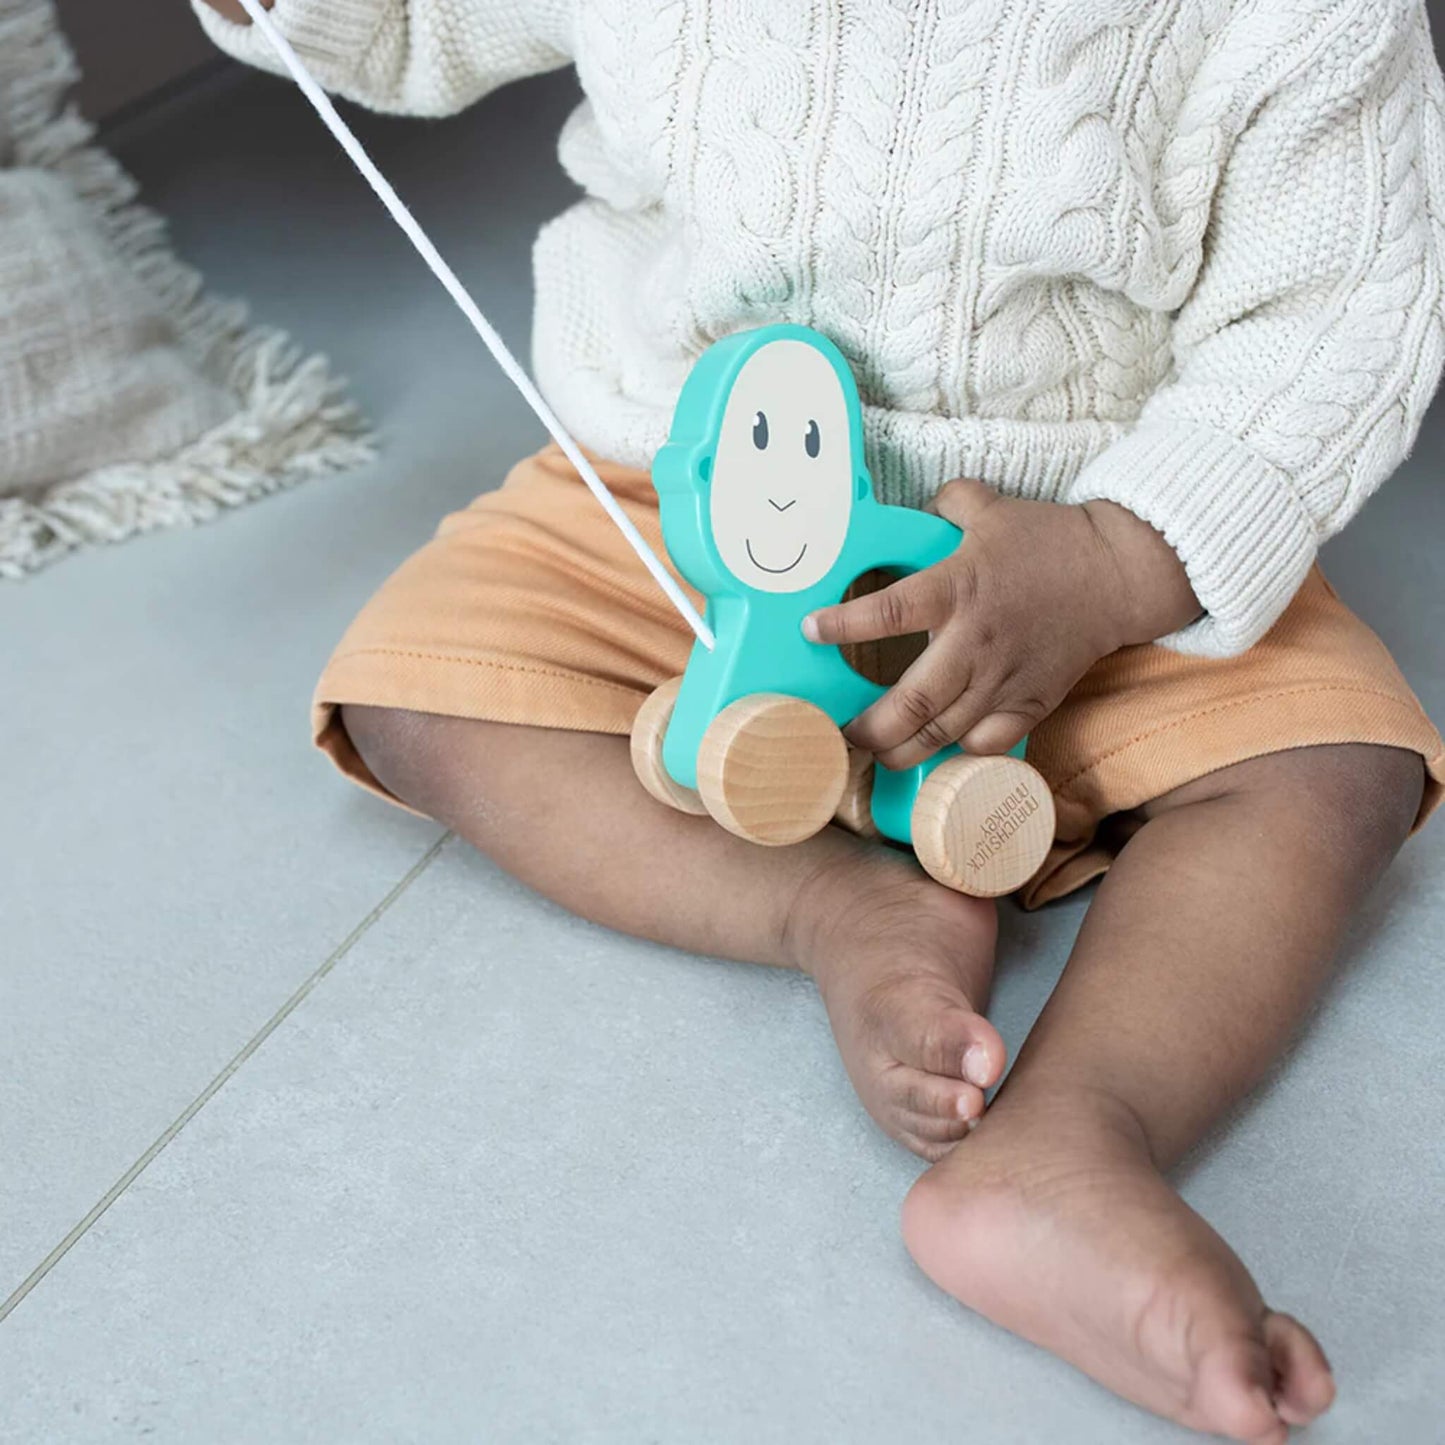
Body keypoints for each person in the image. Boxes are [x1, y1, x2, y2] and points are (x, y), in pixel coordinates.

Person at [195, 2, 1445, 1438]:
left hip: (1071, 542)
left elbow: (1336, 311)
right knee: (424, 684)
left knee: (1327, 763)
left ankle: (1068, 1140)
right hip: (683, 512)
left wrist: (1117, 559)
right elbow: (413, 24)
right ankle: (830, 906)